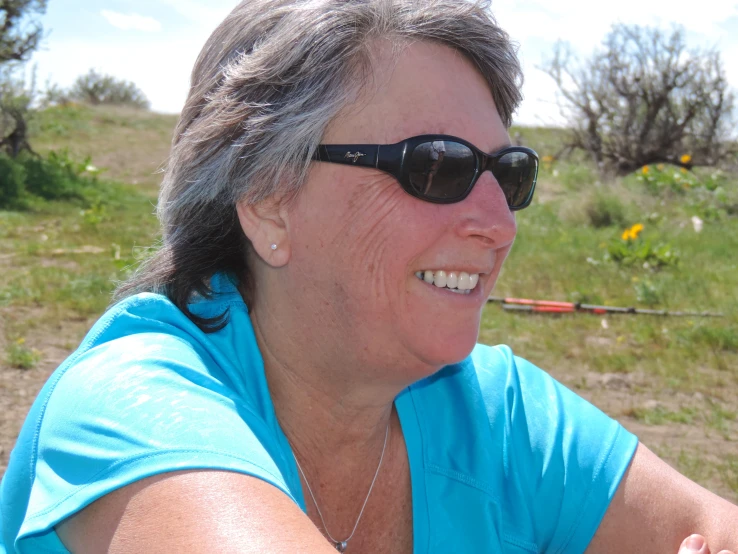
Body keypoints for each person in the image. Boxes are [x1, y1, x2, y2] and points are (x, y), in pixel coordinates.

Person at [1, 1, 737, 552]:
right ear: (267, 201)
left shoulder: (492, 412)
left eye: (510, 173)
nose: (501, 223)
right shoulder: (128, 411)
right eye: (438, 166)